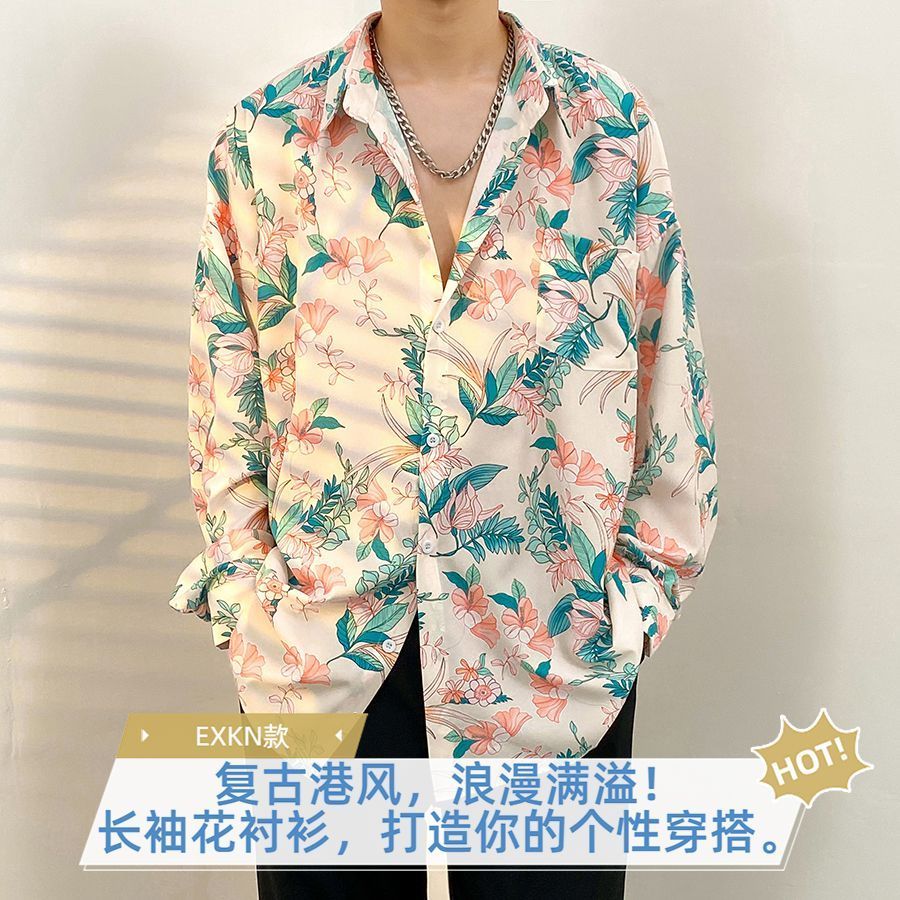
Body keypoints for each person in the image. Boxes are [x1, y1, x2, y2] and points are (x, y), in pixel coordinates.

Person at [170, 2, 719, 897]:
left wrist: (628, 612)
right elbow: (223, 398)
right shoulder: (267, 134)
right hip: (320, 654)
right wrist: (249, 608)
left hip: (552, 660)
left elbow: (668, 382)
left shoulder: (608, 127)